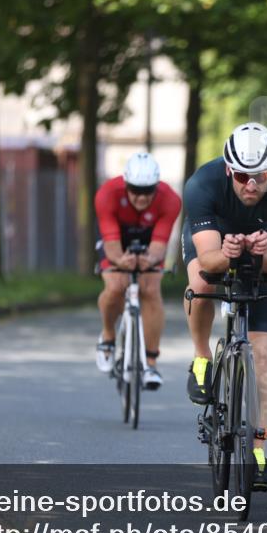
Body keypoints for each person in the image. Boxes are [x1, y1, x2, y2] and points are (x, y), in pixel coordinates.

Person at [181, 122, 267, 490]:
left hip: (262, 251)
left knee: (264, 353)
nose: (250, 184)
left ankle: (258, 449)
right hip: (214, 241)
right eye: (240, 175)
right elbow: (207, 260)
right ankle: (202, 357)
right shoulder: (201, 184)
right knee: (201, 283)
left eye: (260, 176)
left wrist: (263, 250)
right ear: (227, 170)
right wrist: (226, 252)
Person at [94, 152, 181, 389]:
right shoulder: (107, 194)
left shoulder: (170, 199)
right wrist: (121, 261)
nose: (141, 197)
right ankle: (108, 335)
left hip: (148, 239)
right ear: (125, 184)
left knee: (151, 289)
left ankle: (150, 363)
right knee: (115, 286)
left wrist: (149, 259)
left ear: (156, 186)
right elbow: (111, 244)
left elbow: (160, 244)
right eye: (135, 190)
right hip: (116, 238)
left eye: (147, 191)